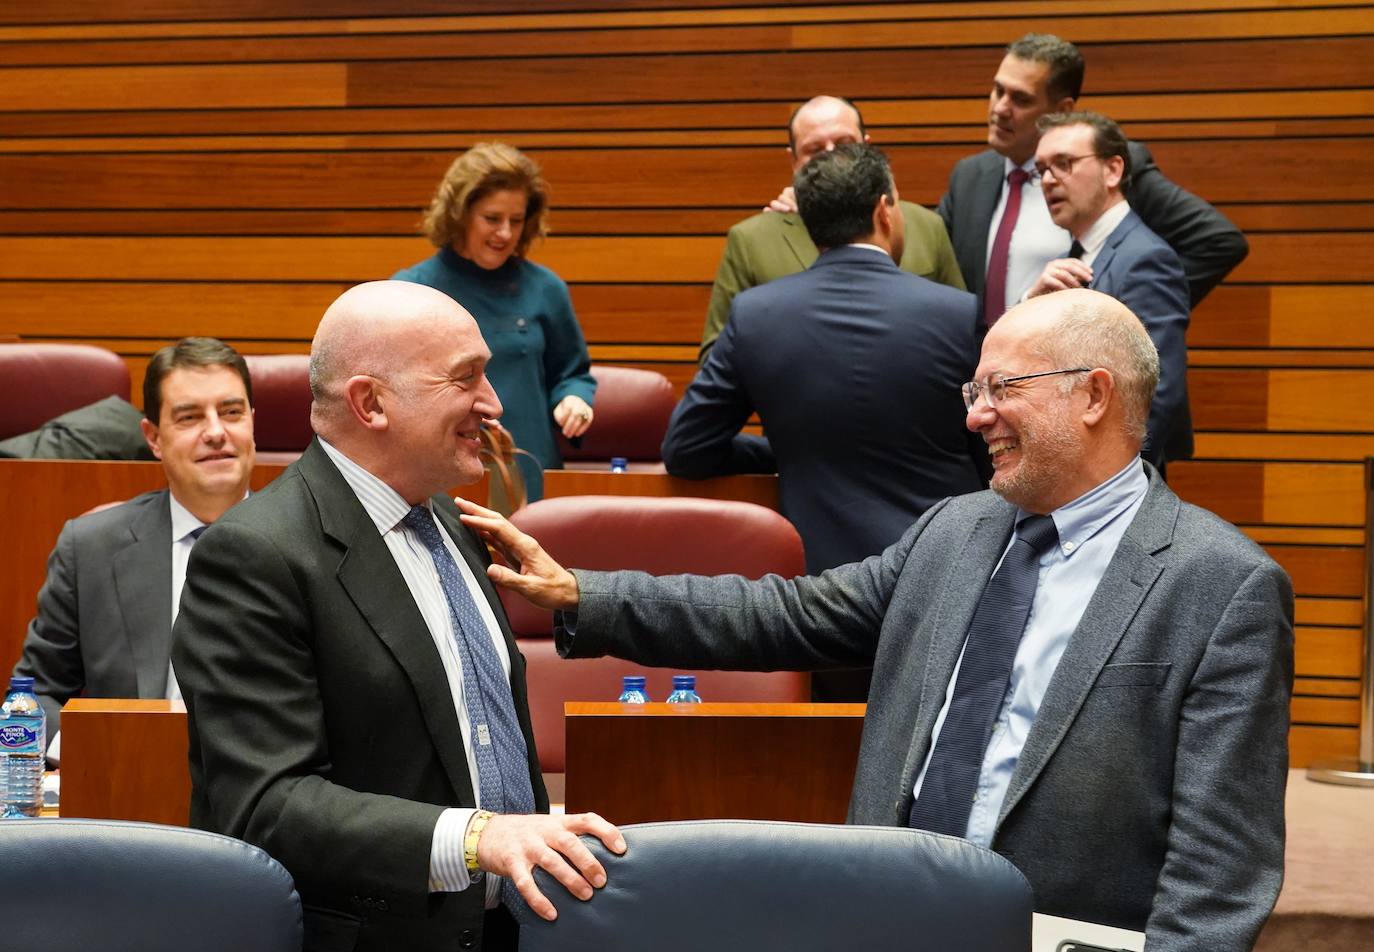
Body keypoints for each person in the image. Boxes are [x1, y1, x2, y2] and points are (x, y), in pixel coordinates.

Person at [462, 288, 1293, 950]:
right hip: (888, 920)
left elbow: (1219, 874)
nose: (974, 416)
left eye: (1002, 389)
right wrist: (584, 594)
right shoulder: (956, 529)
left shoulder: (1220, 587)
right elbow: (786, 615)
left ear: (1094, 395)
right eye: (975, 390)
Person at [172, 281, 623, 952]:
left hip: (515, 930)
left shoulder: (451, 519)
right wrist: (479, 838)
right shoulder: (253, 556)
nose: (494, 403)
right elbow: (267, 805)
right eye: (465, 378)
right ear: (370, 402)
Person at [664, 143, 983, 702]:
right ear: (886, 210)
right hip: (948, 584)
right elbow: (992, 449)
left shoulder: (758, 314)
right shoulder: (958, 315)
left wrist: (789, 449)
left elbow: (688, 448)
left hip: (820, 595)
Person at [12, 337, 255, 760]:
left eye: (231, 412)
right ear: (154, 438)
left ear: (253, 422)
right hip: (128, 791)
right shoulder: (91, 549)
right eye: (190, 417)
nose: (216, 432)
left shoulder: (311, 542)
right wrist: (100, 754)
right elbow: (35, 697)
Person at [937, 33, 1246, 323]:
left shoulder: (1108, 166)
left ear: (1061, 110)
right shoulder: (969, 176)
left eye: (1021, 99)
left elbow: (1218, 242)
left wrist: (1123, 313)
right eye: (998, 90)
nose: (1000, 108)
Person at [393, 142, 596, 500]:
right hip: (438, 478)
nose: (505, 233)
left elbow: (572, 373)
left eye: (516, 221)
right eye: (492, 218)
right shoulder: (412, 290)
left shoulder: (545, 288)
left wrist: (575, 399)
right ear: (460, 215)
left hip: (528, 473)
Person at [699, 95, 964, 362]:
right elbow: (717, 355)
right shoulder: (751, 240)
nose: (833, 157)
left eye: (844, 144)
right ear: (794, 162)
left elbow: (961, 334)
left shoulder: (926, 225)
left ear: (867, 147)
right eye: (815, 150)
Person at [1025, 111, 1191, 468]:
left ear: (1113, 170)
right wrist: (1029, 304)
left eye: (1064, 164)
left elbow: (1156, 395)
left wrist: (1103, 480)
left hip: (1109, 488)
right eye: (1042, 170)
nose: (1049, 180)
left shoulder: (1146, 259)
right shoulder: (1075, 256)